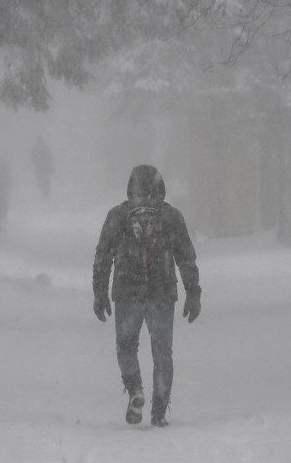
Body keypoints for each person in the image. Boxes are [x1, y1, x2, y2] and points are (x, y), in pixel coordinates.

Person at [92, 164, 201, 427]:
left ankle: (135, 390)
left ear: (131, 188)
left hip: (128, 293)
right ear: (160, 188)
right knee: (162, 352)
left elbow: (102, 257)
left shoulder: (117, 215)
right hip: (161, 293)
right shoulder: (171, 216)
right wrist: (192, 292)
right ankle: (159, 411)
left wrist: (100, 293)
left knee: (127, 346)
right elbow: (186, 257)